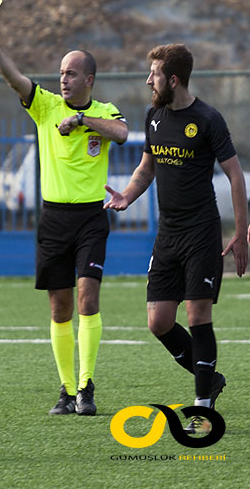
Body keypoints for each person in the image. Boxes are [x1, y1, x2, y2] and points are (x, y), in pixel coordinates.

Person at [0, 8, 128, 416]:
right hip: (53, 220)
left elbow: (123, 133)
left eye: (72, 73)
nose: (63, 78)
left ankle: (86, 386)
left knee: (87, 298)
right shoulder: (44, 106)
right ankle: (64, 390)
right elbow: (14, 78)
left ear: (89, 81)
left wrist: (82, 121)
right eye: (61, 72)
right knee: (59, 306)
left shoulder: (104, 112)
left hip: (91, 219)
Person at [104, 44, 247, 434]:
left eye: (153, 74)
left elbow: (235, 176)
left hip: (202, 234)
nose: (148, 80)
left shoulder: (208, 119)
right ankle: (210, 377)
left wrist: (241, 234)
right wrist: (127, 195)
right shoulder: (153, 116)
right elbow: (146, 167)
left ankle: (203, 402)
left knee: (198, 316)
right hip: (168, 236)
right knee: (158, 321)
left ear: (173, 79)